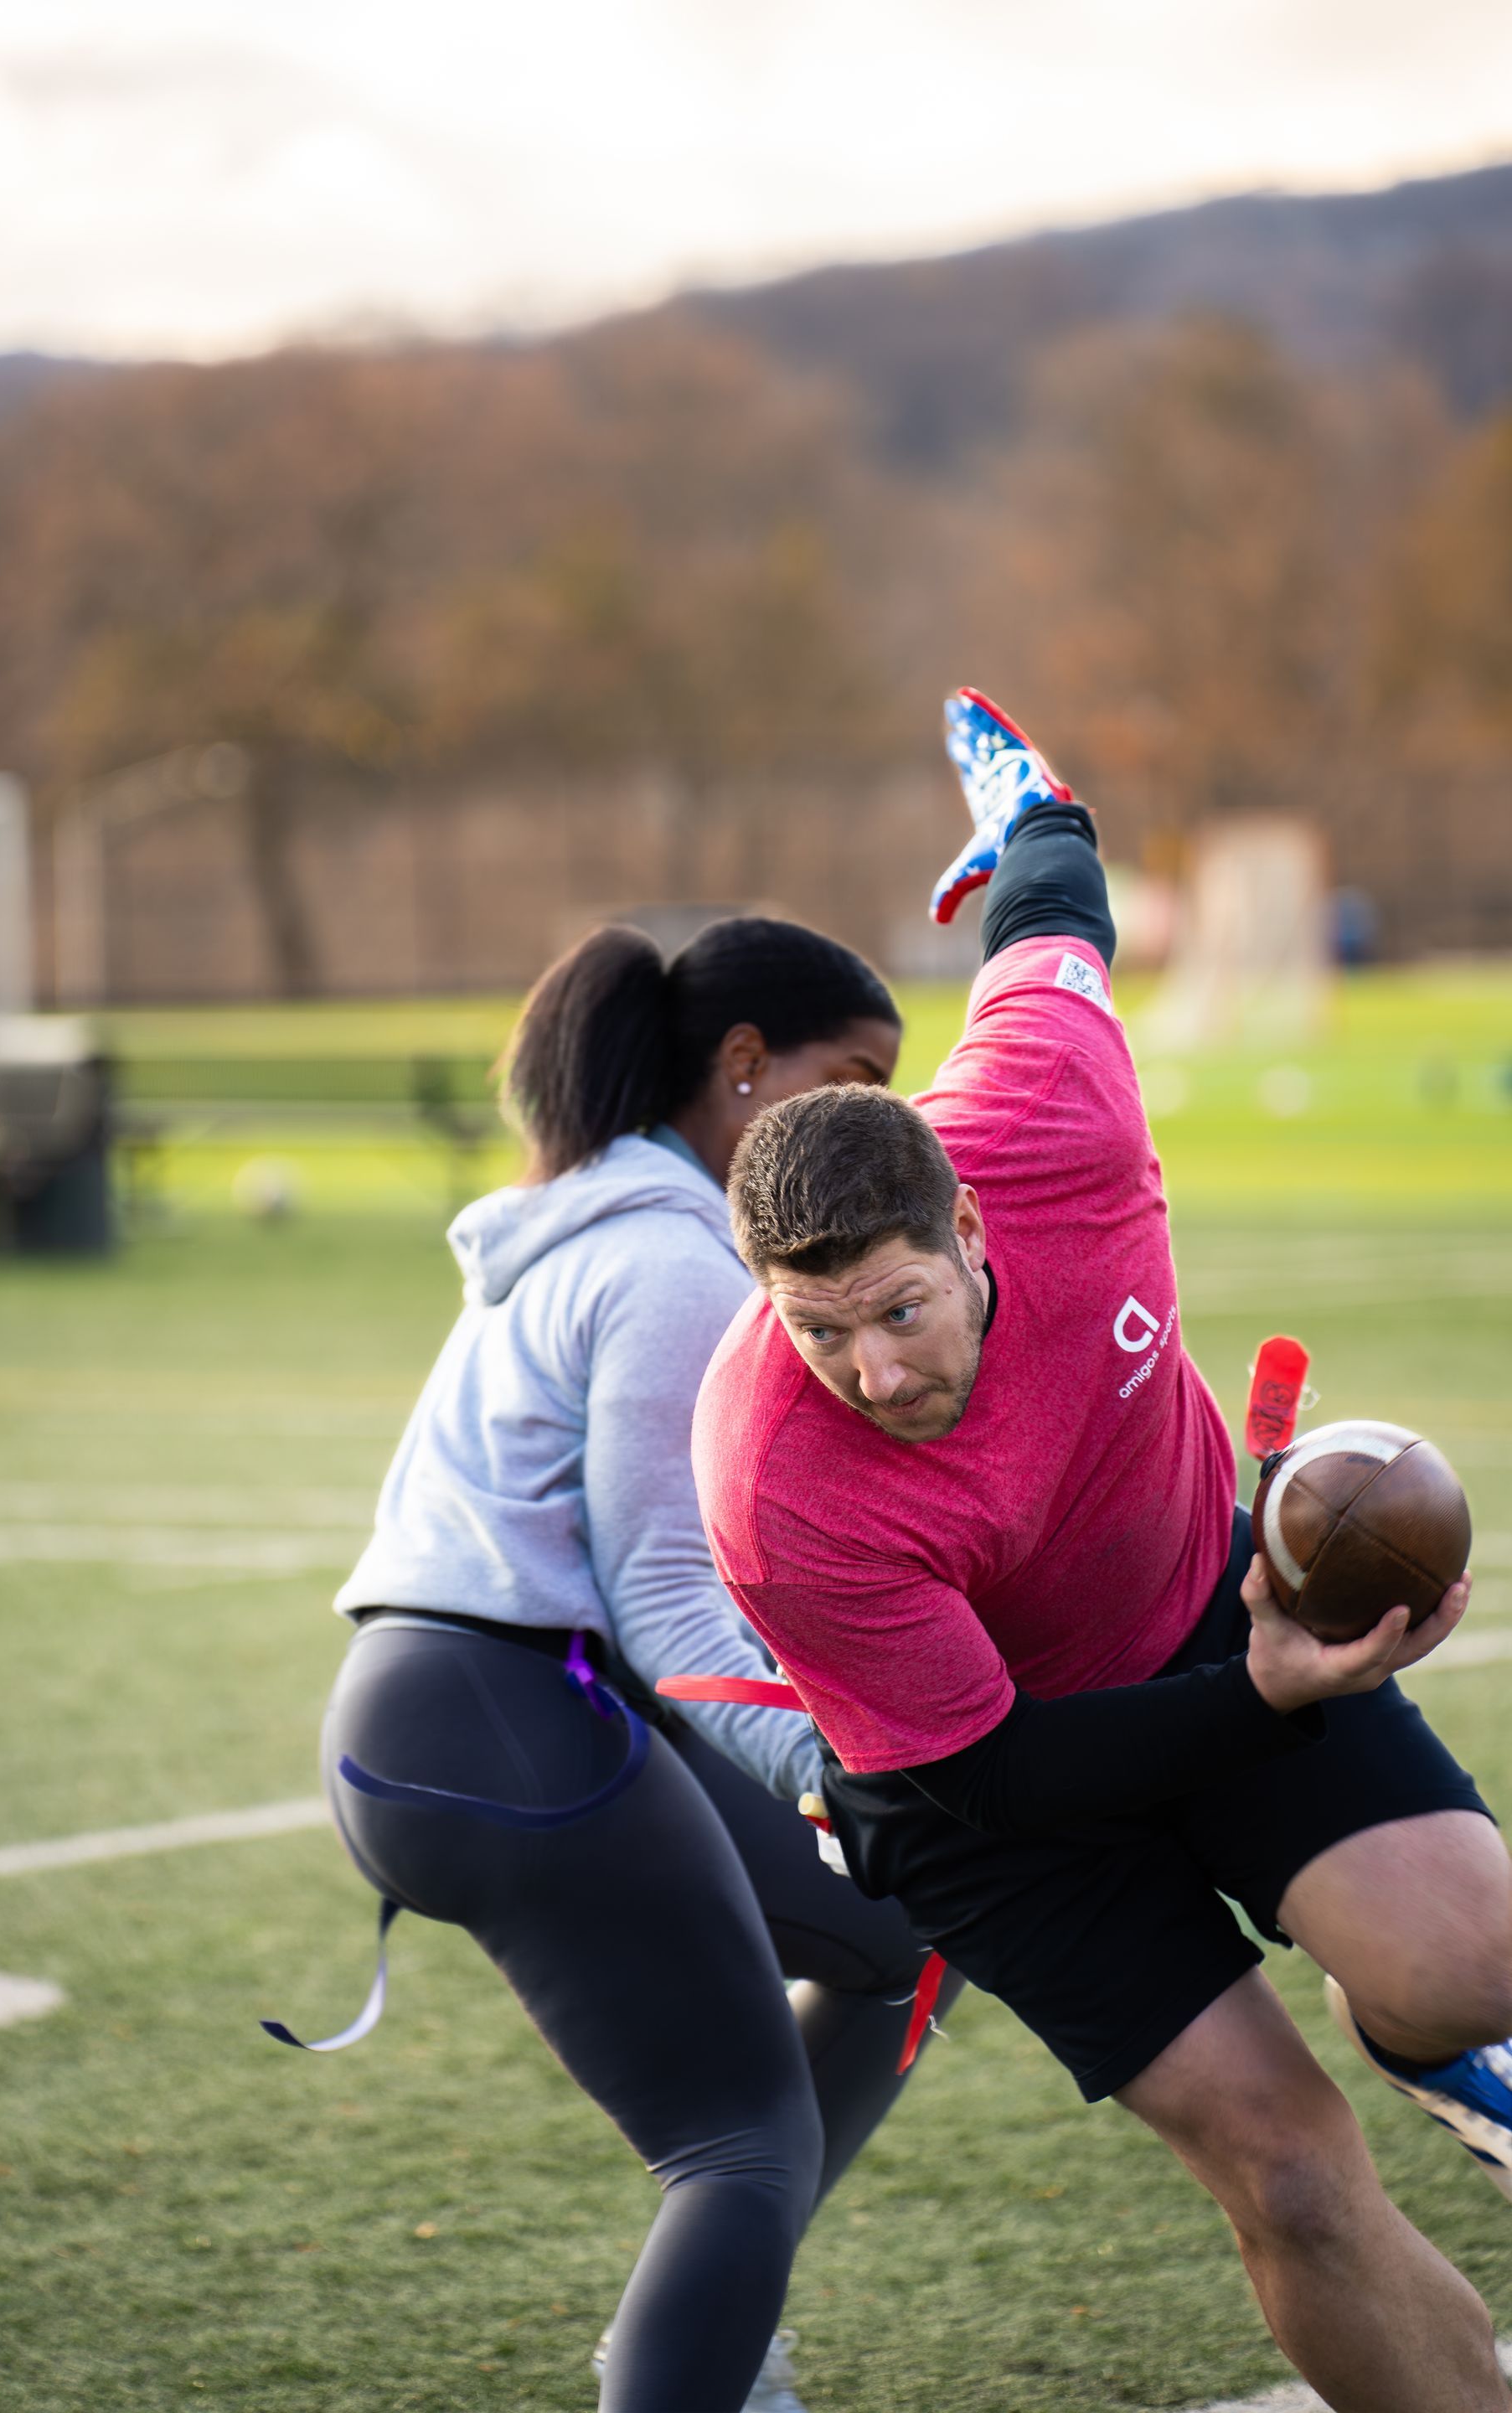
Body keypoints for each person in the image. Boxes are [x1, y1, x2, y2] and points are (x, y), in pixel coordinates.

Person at [692, 690, 1512, 2413]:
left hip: (1195, 1608)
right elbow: (991, 1767)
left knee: (1473, 1963)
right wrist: (1270, 1692)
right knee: (1290, 2172)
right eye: (823, 1332)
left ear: (971, 1223)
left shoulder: (1057, 1108)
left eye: (900, 1312)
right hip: (995, 1800)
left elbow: (1055, 898)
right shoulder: (772, 1480)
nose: (877, 1372)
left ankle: (1434, 2034)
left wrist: (1026, 803)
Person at [310, 915, 960, 2413]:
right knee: (741, 2141)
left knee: (909, 1935)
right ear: (743, 1069)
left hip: (460, 1713)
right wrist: (846, 1769)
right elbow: (664, 1599)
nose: (883, 1121)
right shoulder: (670, 1259)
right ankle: (694, 2370)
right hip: (510, 1712)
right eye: (851, 1078)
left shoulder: (613, 1224)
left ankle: (714, 2336)